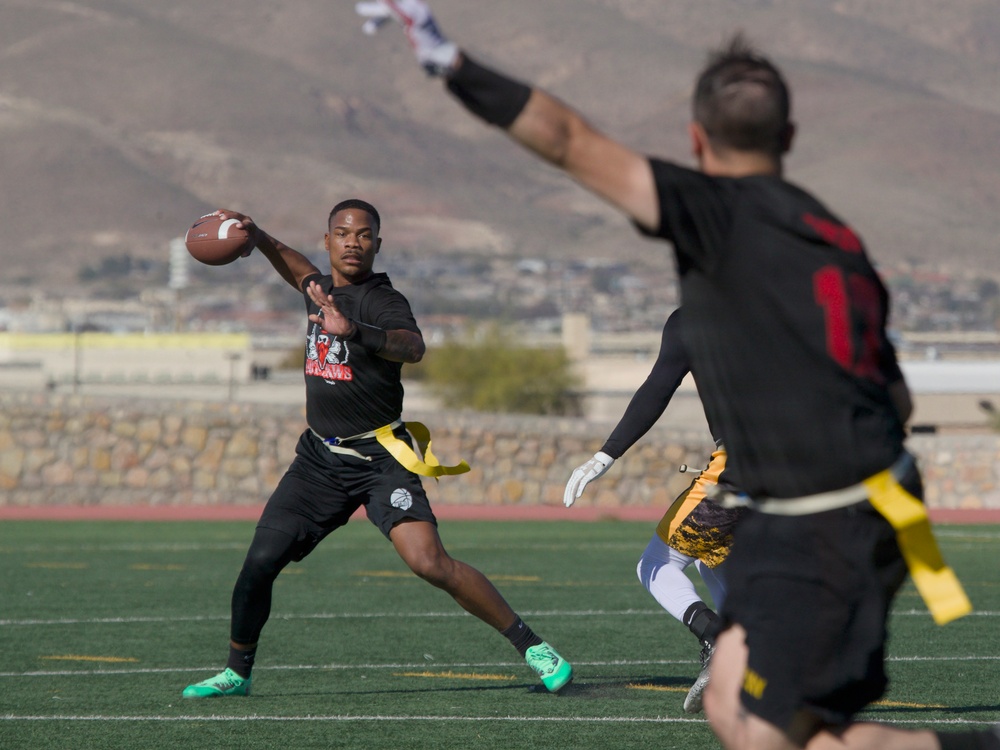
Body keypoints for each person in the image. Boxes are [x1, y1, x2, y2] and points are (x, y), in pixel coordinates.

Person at [356, 4, 992, 750]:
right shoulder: (840, 239)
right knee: (746, 708)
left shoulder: (716, 216)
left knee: (756, 717)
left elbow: (567, 139)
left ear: (697, 141)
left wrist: (443, 55)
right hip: (876, 503)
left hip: (812, 511)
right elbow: (898, 397)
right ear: (789, 139)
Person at [182, 199, 572, 698]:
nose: (352, 241)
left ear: (377, 245)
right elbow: (296, 266)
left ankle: (533, 646)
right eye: (342, 233)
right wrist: (258, 238)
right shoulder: (318, 291)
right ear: (328, 241)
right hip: (319, 461)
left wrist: (358, 333)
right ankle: (237, 672)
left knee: (430, 562)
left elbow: (413, 346)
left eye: (363, 234)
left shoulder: (382, 300)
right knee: (259, 562)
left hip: (381, 458)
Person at [563, 307, 747, 714]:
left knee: (655, 563)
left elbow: (657, 389)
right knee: (710, 556)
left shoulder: (692, 319)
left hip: (743, 467)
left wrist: (605, 454)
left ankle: (720, 638)